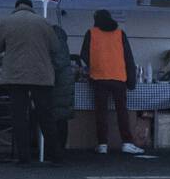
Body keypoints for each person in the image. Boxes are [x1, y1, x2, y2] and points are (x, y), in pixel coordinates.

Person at [0, 0, 64, 166]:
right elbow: (55, 47)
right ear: (31, 8)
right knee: (45, 116)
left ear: (16, 7)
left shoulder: (6, 21)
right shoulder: (44, 22)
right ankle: (55, 156)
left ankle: (23, 157)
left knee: (19, 117)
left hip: (16, 76)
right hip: (41, 76)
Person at [80, 9, 144, 155]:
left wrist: (95, 64)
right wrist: (131, 80)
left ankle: (102, 144)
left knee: (101, 112)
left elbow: (84, 54)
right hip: (118, 77)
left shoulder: (91, 33)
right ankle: (127, 142)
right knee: (122, 111)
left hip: (99, 77)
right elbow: (128, 56)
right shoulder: (120, 33)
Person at [48, 22, 75, 153]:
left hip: (58, 84)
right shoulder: (61, 41)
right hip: (64, 84)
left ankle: (56, 150)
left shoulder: (55, 42)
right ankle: (59, 149)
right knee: (61, 118)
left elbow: (57, 63)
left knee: (57, 118)